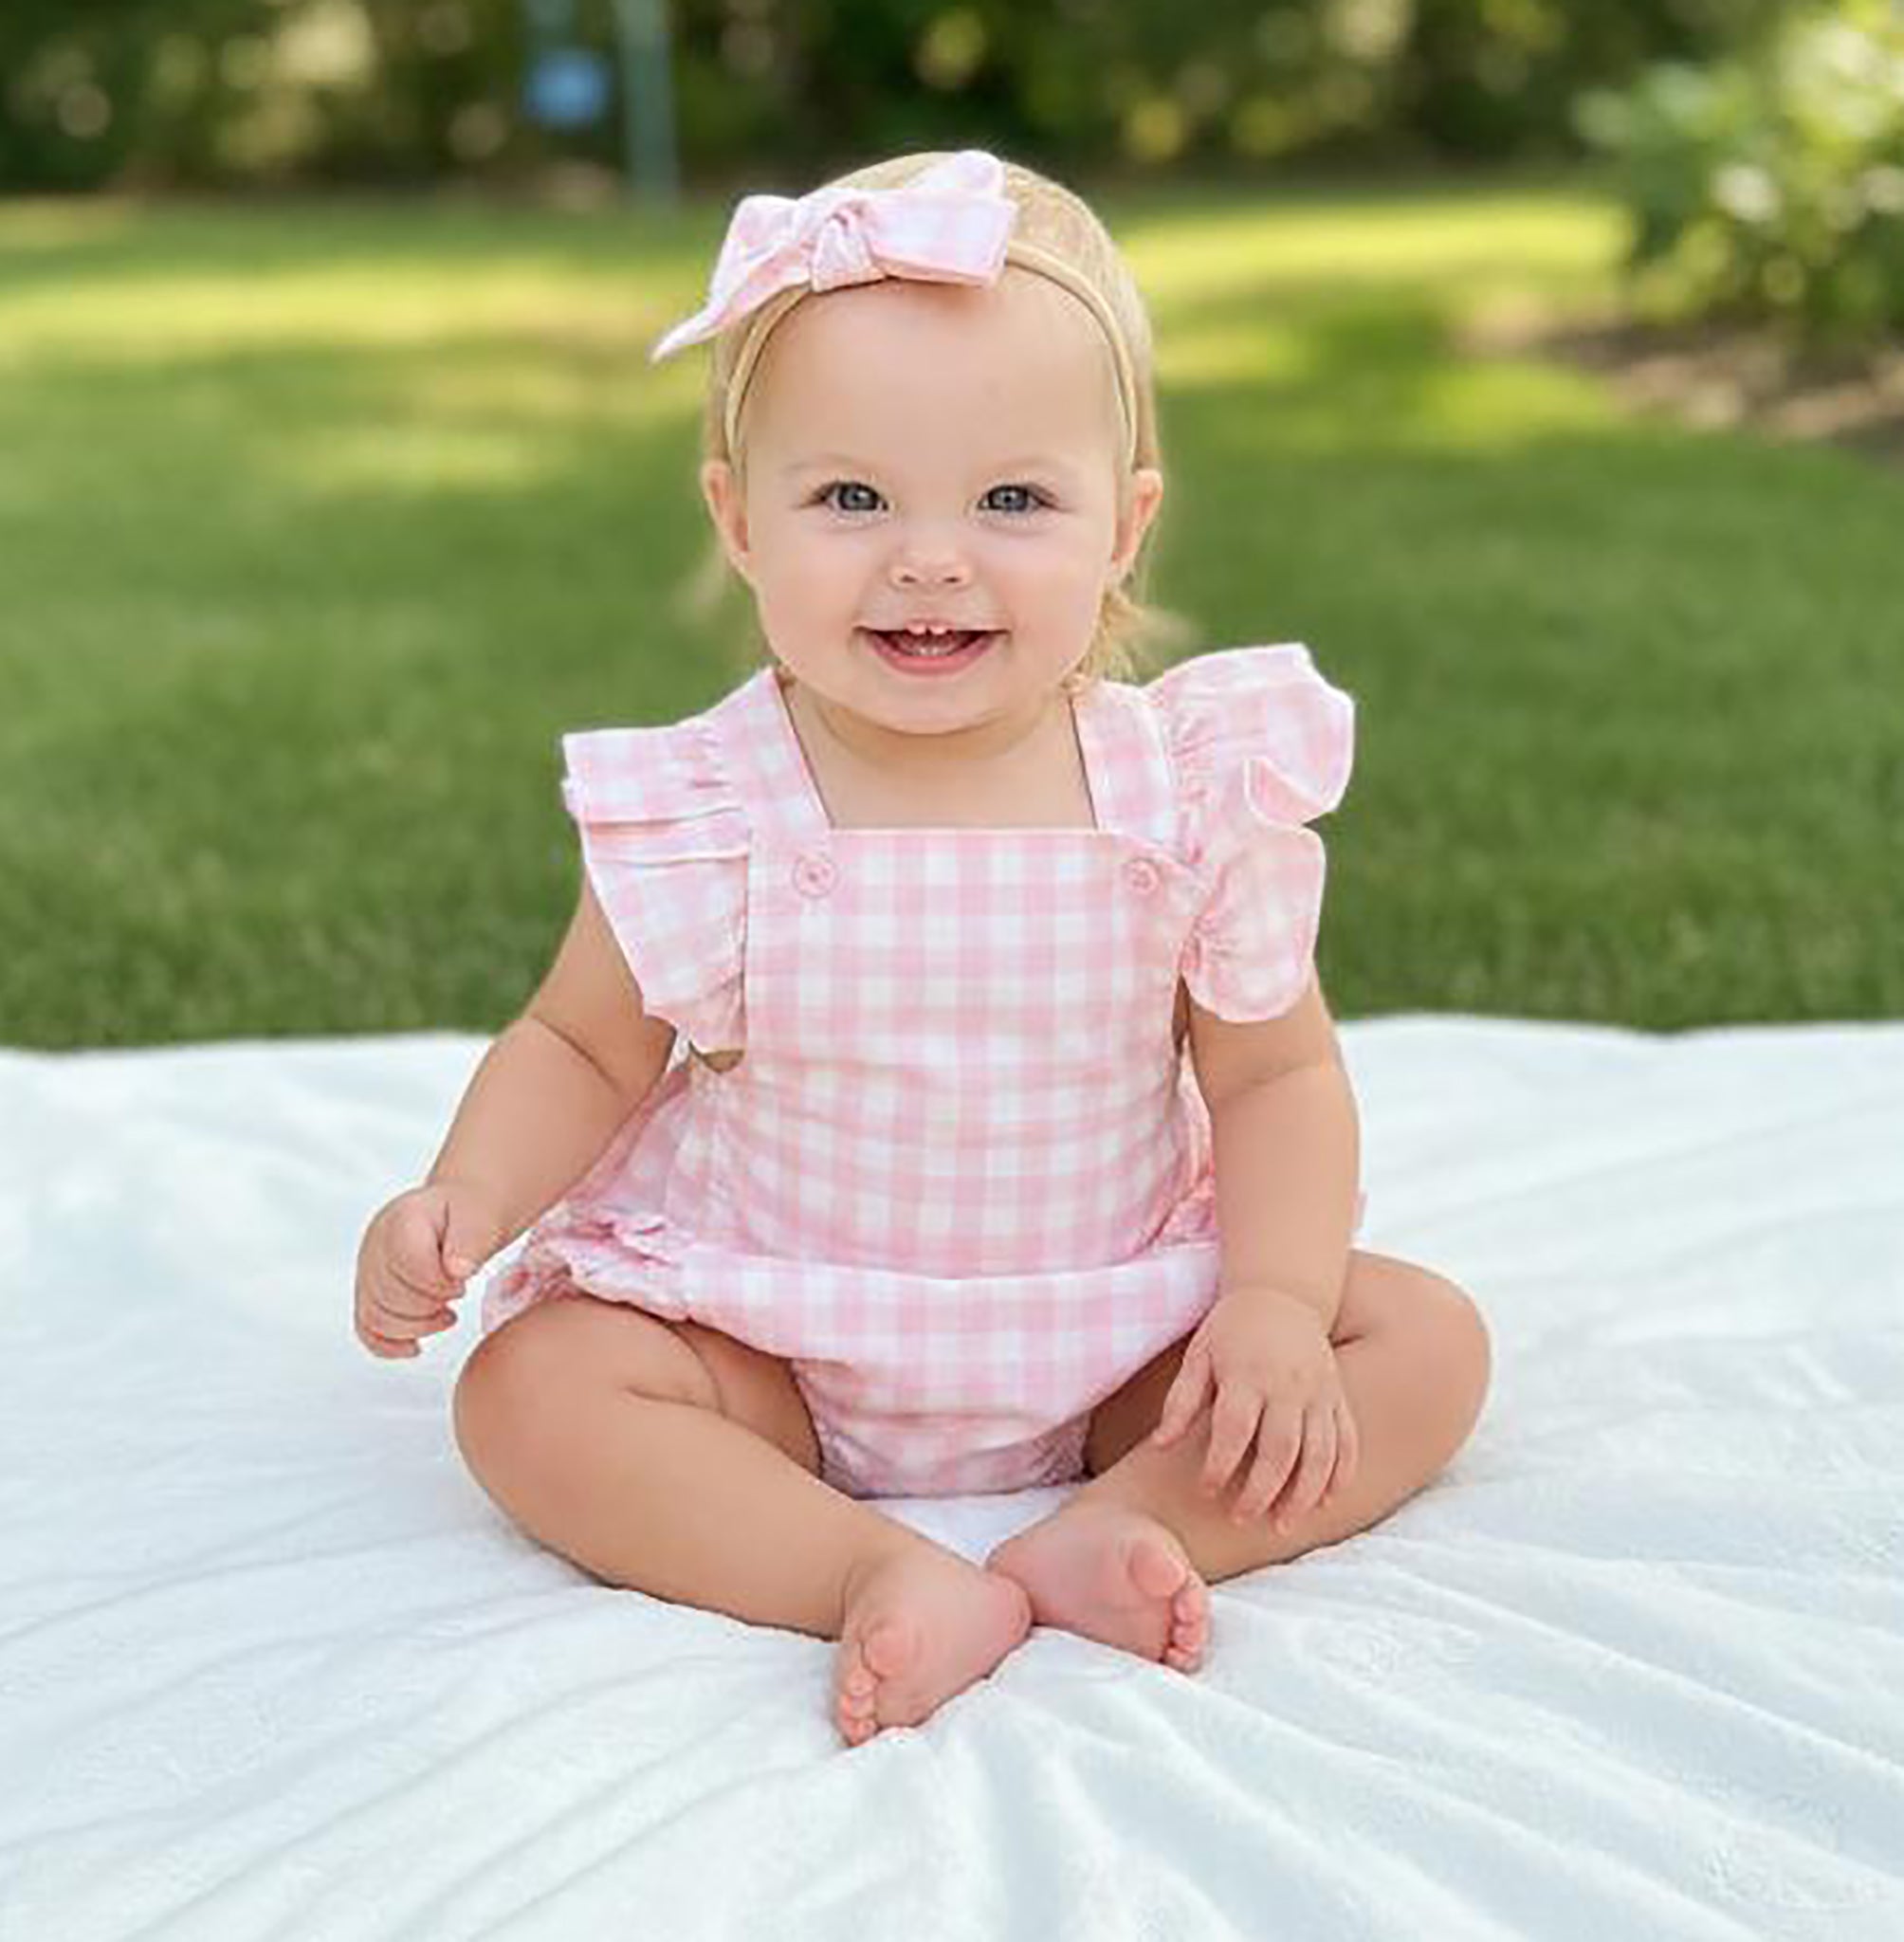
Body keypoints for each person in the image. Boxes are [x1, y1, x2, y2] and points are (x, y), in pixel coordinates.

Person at [353, 149, 1492, 1750]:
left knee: (1418, 1340)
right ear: (738, 520)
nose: (931, 556)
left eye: (1013, 499)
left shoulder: (1181, 789)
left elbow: (1277, 1074)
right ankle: (866, 1568)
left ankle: (1130, 1518)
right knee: (531, 1392)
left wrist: (1279, 1306)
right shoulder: (710, 801)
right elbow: (582, 1046)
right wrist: (465, 1197)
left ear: (1125, 525)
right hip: (776, 1340)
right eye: (853, 497)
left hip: (1113, 1327)